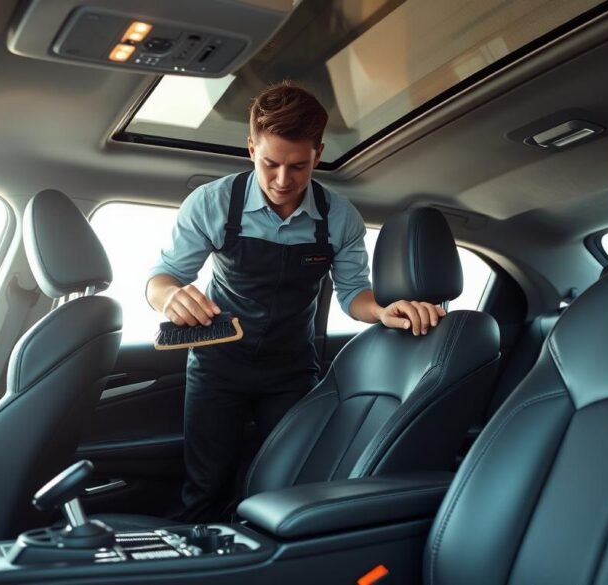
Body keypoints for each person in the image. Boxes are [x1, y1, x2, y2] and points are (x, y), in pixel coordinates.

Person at [146, 81, 447, 520]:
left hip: (291, 372)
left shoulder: (340, 217)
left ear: (318, 155)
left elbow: (353, 293)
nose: (283, 181)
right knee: (205, 487)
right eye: (270, 164)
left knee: (290, 486)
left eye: (298, 166)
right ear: (252, 149)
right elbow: (162, 277)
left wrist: (382, 311)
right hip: (216, 367)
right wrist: (169, 296)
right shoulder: (210, 204)